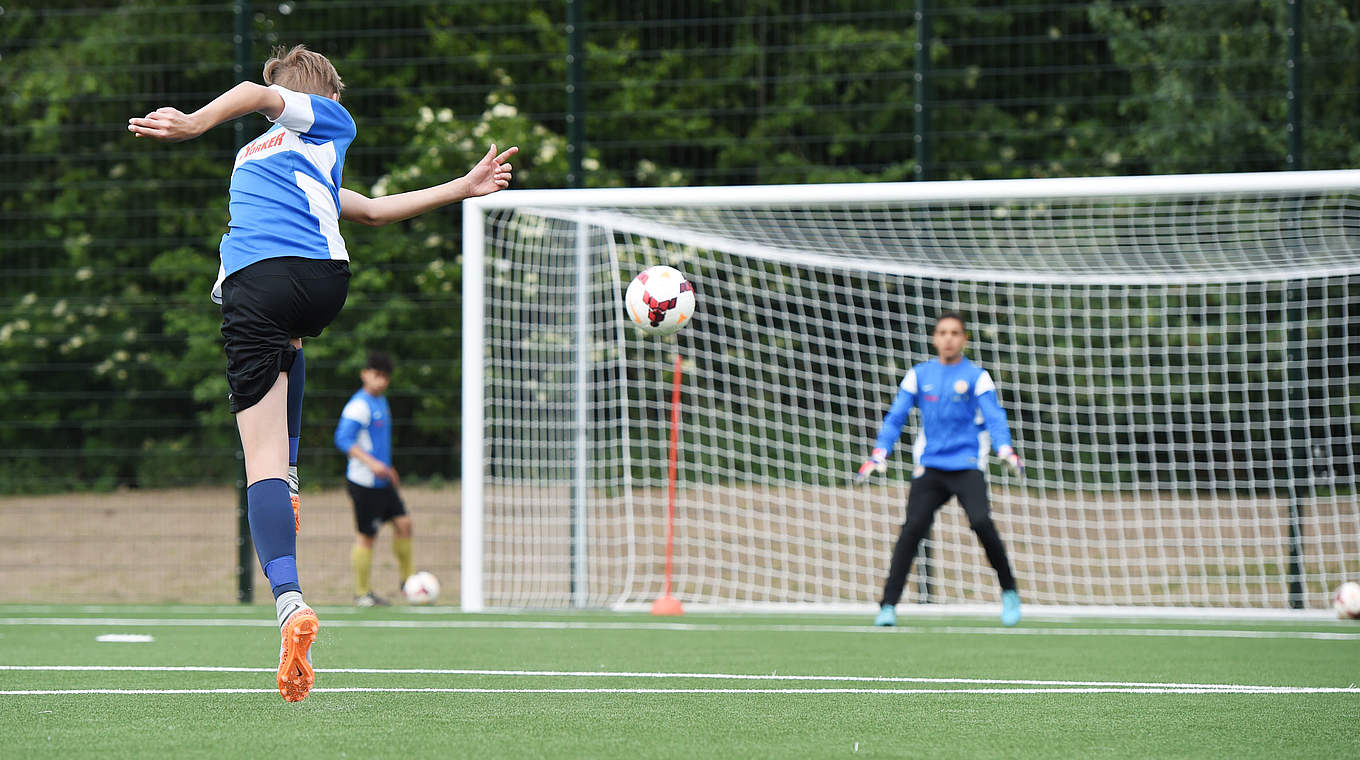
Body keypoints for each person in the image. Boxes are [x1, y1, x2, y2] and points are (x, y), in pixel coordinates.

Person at [128, 44, 516, 702]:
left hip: (260, 283)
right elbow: (366, 209)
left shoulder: (283, 139)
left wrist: (194, 121)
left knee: (261, 467)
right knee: (293, 344)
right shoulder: (313, 142)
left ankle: (288, 602)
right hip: (322, 281)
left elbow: (254, 93)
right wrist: (462, 187)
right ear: (324, 96)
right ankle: (297, 471)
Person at [855, 312, 1025, 627]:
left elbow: (994, 416)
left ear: (964, 339)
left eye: (955, 333)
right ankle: (888, 605)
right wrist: (879, 452)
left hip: (966, 465)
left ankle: (1009, 591)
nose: (948, 338)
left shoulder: (977, 376)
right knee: (912, 529)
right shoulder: (919, 375)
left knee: (982, 522)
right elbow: (896, 417)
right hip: (931, 466)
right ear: (935, 338)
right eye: (943, 332)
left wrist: (1005, 449)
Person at [335, 351, 412, 607]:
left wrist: (387, 468)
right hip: (363, 481)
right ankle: (362, 594)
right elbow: (343, 439)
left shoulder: (381, 402)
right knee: (366, 536)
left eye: (385, 377)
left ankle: (409, 585)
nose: (381, 381)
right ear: (365, 374)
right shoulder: (359, 405)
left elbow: (377, 442)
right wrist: (373, 464)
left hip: (382, 481)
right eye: (377, 375)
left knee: (404, 525)